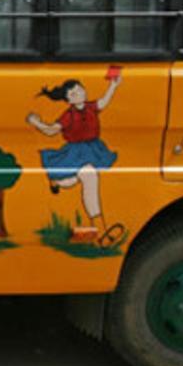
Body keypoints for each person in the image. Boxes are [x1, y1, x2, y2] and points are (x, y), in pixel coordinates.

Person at [26, 73, 125, 246]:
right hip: (75, 151)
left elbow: (103, 102)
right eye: (73, 94)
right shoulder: (68, 115)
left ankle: (98, 229)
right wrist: (36, 123)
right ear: (68, 100)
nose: (79, 94)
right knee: (80, 178)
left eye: (80, 90)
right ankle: (99, 229)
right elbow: (51, 131)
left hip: (93, 149)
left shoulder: (90, 106)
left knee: (84, 177)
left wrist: (113, 86)